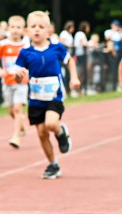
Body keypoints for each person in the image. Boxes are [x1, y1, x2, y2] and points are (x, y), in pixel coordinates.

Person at [13, 10, 80, 179]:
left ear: (49, 30)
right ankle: (53, 164)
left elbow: (70, 61)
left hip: (54, 96)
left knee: (51, 124)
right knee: (42, 133)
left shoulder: (56, 48)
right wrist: (18, 74)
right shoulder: (25, 52)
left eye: (41, 27)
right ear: (27, 31)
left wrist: (74, 77)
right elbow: (17, 73)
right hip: (36, 99)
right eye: (33, 27)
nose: (37, 30)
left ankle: (60, 132)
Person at [0, 14, 29, 147]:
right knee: (12, 111)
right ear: (8, 28)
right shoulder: (3, 44)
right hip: (7, 82)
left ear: (23, 29)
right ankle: (21, 125)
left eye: (18, 27)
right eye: (13, 27)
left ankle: (16, 137)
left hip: (22, 82)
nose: (15, 30)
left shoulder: (26, 45)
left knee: (18, 108)